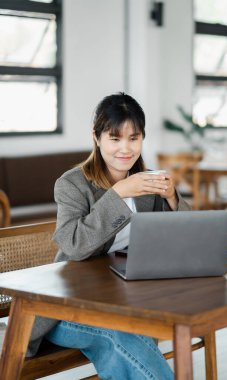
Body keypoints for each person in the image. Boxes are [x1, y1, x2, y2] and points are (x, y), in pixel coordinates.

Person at [27, 92, 191, 379]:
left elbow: (183, 242)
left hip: (129, 302)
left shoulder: (149, 183)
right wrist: (118, 194)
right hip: (68, 307)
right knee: (123, 333)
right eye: (115, 139)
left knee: (132, 328)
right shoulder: (72, 184)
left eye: (134, 138)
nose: (125, 149)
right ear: (97, 137)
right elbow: (74, 246)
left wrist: (173, 198)